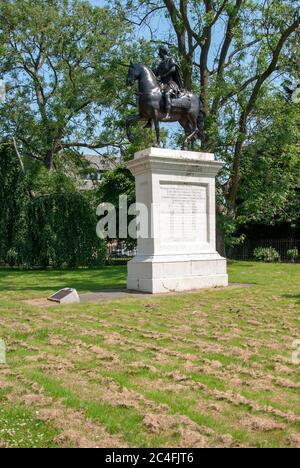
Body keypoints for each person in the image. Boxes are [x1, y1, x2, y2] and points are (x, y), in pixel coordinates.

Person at [153, 45, 184, 119]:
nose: (158, 53)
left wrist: (165, 75)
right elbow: (156, 73)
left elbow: (173, 69)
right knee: (154, 94)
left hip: (171, 83)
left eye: (159, 52)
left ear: (163, 52)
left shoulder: (170, 59)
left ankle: (168, 114)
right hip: (162, 83)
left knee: (167, 93)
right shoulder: (161, 63)